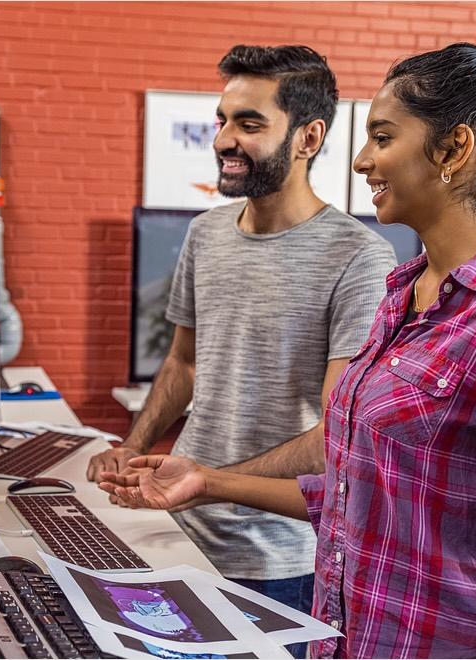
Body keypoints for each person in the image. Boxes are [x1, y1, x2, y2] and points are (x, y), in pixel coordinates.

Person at [99, 43, 476, 659]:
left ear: (453, 150)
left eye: (383, 137)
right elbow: (361, 493)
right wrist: (206, 481)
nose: (362, 160)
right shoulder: (405, 295)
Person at [86, 44, 396, 656]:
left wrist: (208, 480)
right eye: (223, 120)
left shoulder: (360, 258)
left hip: (275, 558)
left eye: (249, 124)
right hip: (174, 525)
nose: (225, 140)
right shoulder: (205, 235)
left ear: (308, 138)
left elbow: (338, 431)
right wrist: (135, 445)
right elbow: (184, 362)